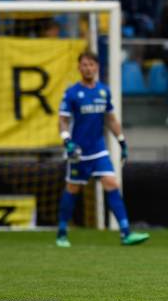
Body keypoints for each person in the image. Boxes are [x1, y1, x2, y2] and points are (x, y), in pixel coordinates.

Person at [57, 52, 150, 247]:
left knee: (112, 184)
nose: (88, 68)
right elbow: (63, 120)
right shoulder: (72, 93)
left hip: (99, 150)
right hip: (78, 152)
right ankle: (62, 233)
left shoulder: (103, 91)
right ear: (79, 68)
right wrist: (67, 141)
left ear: (97, 67)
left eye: (91, 64)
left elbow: (110, 118)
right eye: (84, 65)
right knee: (73, 189)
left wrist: (122, 141)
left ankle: (125, 233)